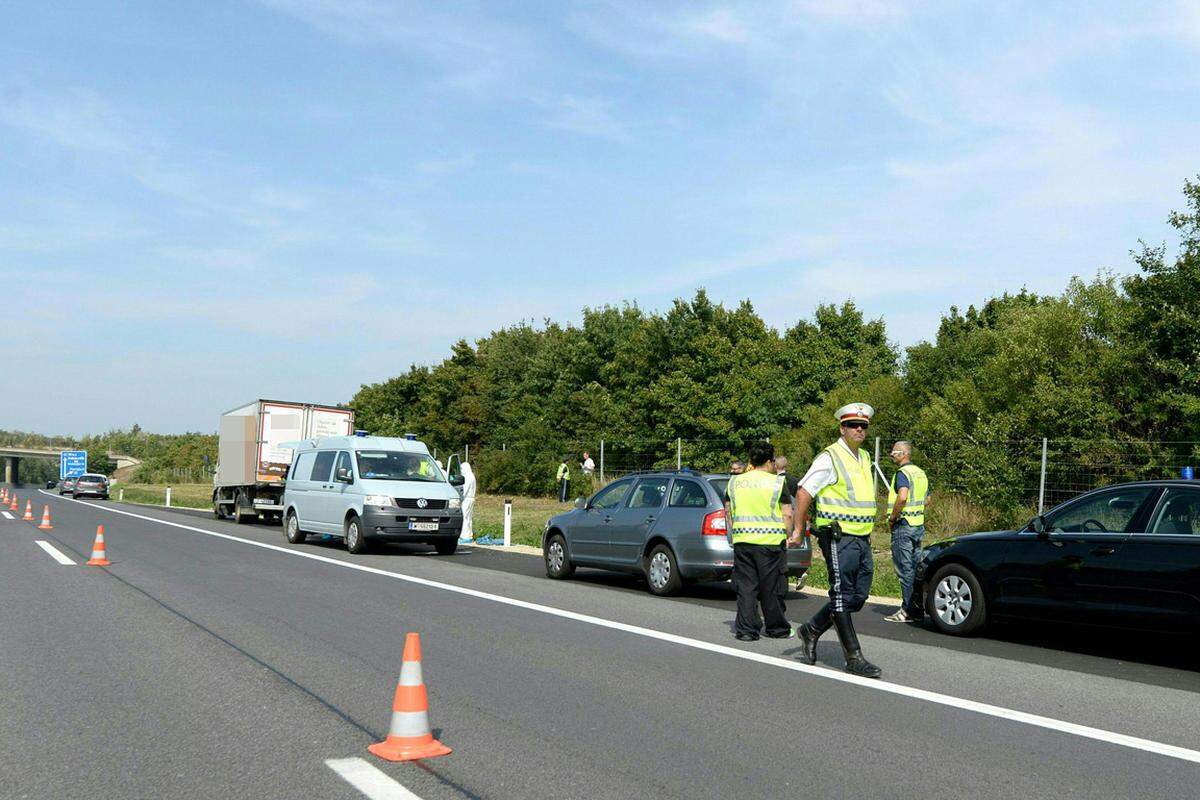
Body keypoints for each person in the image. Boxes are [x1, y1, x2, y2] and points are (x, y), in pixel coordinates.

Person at [790, 402, 883, 678]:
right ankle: (854, 657)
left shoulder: (865, 457)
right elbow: (804, 491)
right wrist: (799, 529)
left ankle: (811, 628)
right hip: (837, 536)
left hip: (862, 538)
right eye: (853, 425)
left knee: (858, 596)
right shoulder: (829, 457)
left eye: (863, 426)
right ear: (842, 428)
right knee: (841, 595)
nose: (859, 429)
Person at [725, 441, 793, 641]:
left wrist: (733, 534)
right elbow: (787, 514)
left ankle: (746, 630)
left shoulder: (734, 482)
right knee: (771, 588)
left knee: (746, 587)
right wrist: (788, 535)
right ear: (771, 461)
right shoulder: (777, 482)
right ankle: (776, 629)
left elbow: (728, 511)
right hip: (770, 542)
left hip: (743, 540)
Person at [884, 441, 929, 623]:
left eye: (894, 451)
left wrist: (893, 517)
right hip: (918, 525)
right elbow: (928, 500)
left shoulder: (902, 473)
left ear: (903, 453)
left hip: (903, 525)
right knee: (917, 568)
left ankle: (907, 610)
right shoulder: (920, 473)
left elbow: (902, 496)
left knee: (905, 569)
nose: (891, 454)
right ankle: (917, 609)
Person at [458, 461, 477, 545]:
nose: (461, 470)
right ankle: (469, 534)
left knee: (465, 517)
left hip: (466, 499)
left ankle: (465, 536)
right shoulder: (472, 476)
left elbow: (464, 490)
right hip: (471, 498)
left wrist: (459, 498)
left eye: (462, 469)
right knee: (469, 518)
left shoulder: (467, 477)